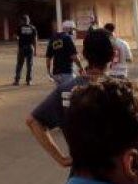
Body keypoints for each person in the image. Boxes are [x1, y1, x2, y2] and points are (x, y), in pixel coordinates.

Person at [26, 29, 113, 167]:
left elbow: (32, 121)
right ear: (112, 56)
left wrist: (62, 159)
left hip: (79, 174)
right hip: (114, 178)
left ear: (85, 54)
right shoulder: (123, 91)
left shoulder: (67, 89)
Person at [46, 20, 82, 86]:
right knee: (69, 93)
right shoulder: (67, 38)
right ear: (68, 29)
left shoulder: (53, 39)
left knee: (60, 93)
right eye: (73, 29)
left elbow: (48, 58)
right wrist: (81, 67)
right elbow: (74, 56)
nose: (73, 32)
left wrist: (48, 71)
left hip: (56, 73)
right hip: (67, 72)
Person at [14, 15, 38, 86]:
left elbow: (15, 37)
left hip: (22, 48)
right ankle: (29, 81)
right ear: (28, 20)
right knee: (29, 65)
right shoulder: (33, 28)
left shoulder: (20, 27)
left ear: (22, 20)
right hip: (30, 48)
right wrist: (35, 50)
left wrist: (19, 39)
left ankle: (17, 81)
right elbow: (35, 40)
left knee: (19, 65)